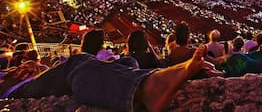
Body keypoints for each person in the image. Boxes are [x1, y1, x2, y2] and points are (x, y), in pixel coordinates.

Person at [1, 45, 214, 112]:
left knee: (127, 62)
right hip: (15, 91)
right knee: (78, 62)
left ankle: (142, 83)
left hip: (31, 81)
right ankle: (146, 89)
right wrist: (9, 78)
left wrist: (37, 68)